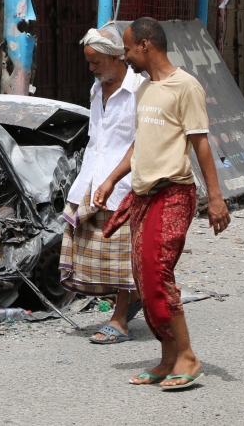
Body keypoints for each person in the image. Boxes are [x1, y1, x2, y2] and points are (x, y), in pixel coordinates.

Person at [94, 17, 230, 390]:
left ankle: (186, 355)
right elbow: (140, 145)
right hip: (143, 195)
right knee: (143, 276)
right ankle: (168, 357)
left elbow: (201, 143)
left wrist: (215, 199)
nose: (125, 56)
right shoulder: (144, 90)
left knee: (157, 274)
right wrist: (111, 180)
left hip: (173, 194)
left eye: (128, 48)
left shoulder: (185, 87)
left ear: (146, 46)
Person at [59, 27, 142, 344]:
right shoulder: (96, 91)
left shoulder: (140, 91)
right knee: (96, 253)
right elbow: (97, 140)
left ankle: (120, 320)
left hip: (124, 185)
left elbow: (140, 142)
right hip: (91, 182)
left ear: (116, 57)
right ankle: (134, 299)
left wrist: (113, 180)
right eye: (89, 63)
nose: (92, 69)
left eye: (96, 62)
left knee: (123, 254)